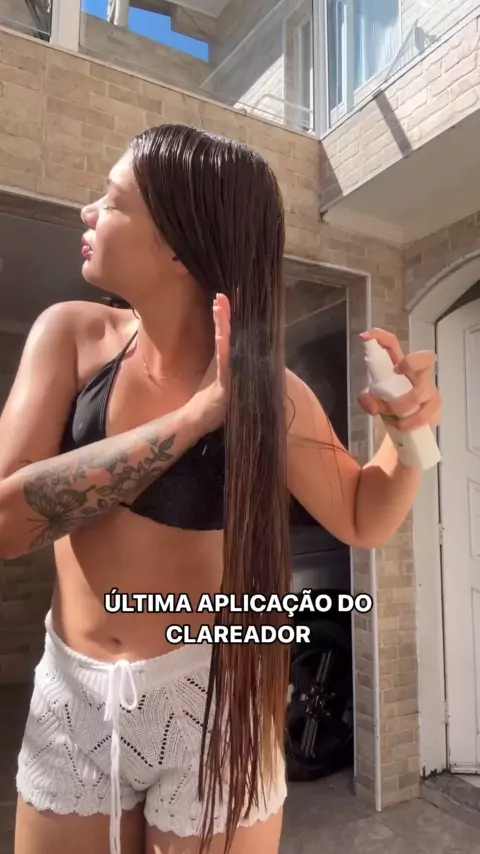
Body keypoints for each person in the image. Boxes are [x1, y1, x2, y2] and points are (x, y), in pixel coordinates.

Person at [0, 124, 441, 854]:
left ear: (177, 244)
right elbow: (7, 523)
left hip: (216, 700)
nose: (88, 212)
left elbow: (364, 516)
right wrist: (195, 418)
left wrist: (409, 436)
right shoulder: (71, 337)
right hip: (74, 698)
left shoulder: (270, 392)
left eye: (112, 200)